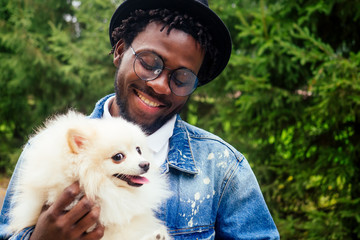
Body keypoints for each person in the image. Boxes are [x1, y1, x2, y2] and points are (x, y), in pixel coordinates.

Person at [0, 0, 280, 239]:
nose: (160, 85)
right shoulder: (48, 153)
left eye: (181, 78)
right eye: (148, 63)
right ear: (120, 51)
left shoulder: (223, 168)